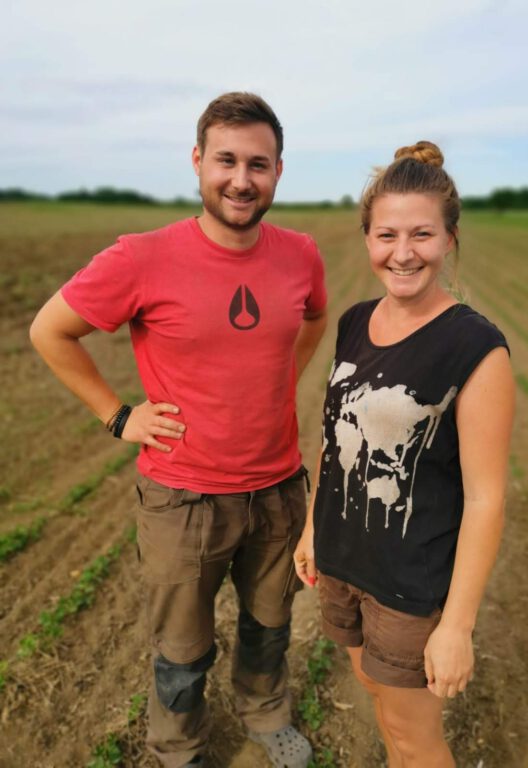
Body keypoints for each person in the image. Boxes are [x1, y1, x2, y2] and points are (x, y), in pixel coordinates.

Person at [30, 92, 327, 768]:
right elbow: (50, 330)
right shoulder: (142, 257)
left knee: (270, 624)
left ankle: (265, 714)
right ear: (197, 162)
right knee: (182, 648)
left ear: (278, 171)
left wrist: (284, 378)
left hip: (279, 490)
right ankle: (178, 747)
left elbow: (314, 317)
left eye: (258, 164)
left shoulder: (301, 254)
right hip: (183, 499)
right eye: (226, 160)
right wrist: (118, 416)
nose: (241, 179)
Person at [294, 141, 515, 767]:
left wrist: (457, 626)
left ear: (449, 239)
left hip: (410, 586)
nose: (403, 252)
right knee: (375, 694)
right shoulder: (354, 322)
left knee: (414, 737)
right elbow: (334, 436)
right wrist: (312, 527)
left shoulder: (475, 348)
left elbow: (486, 498)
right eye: (387, 235)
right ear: (368, 238)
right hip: (344, 562)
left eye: (422, 234)